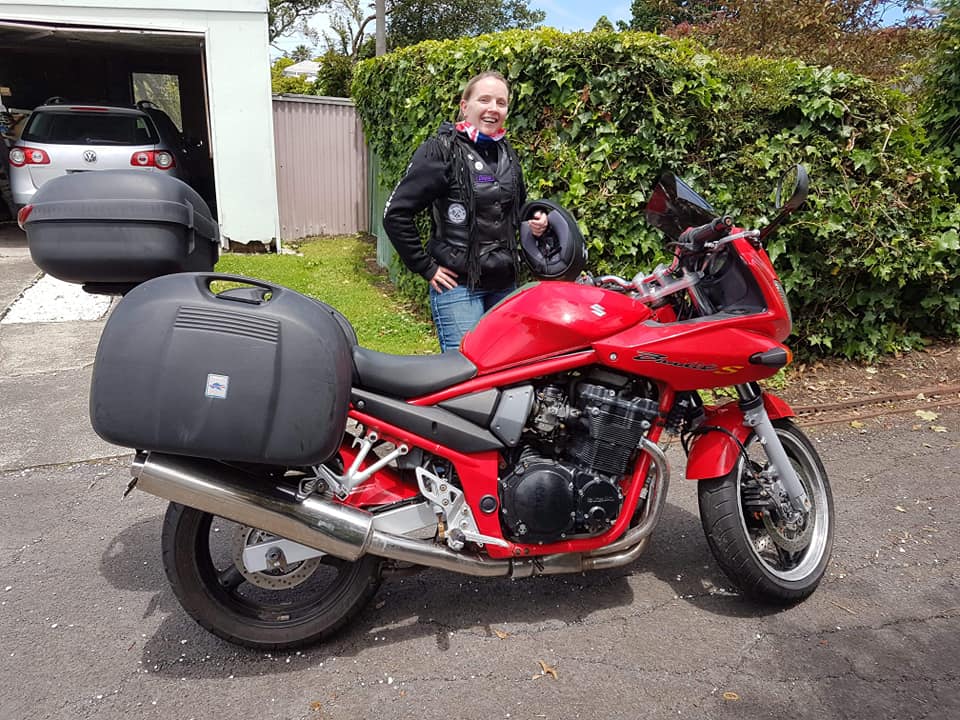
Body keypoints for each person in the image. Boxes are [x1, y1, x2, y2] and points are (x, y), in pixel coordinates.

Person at [383, 70, 548, 352]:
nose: (493, 109)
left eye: (501, 102)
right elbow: (396, 214)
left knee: (505, 370)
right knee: (466, 375)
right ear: (464, 106)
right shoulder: (441, 150)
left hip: (504, 286)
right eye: (484, 100)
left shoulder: (506, 151)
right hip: (458, 288)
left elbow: (515, 210)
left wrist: (534, 222)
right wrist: (425, 266)